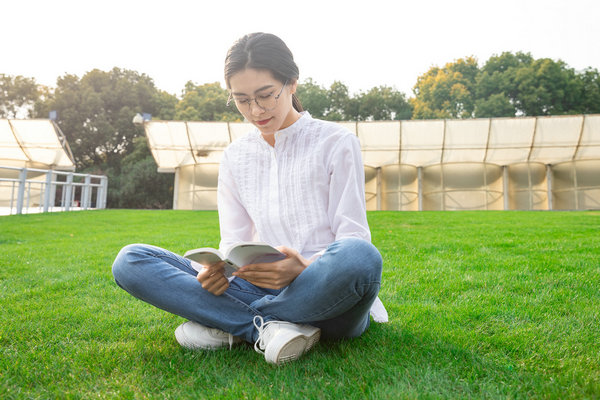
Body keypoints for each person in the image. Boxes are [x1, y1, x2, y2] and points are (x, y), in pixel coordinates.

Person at [112, 32, 387, 365]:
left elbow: (353, 236)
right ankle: (264, 328)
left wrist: (302, 268)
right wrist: (216, 271)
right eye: (242, 99)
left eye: (266, 95)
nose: (256, 110)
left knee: (360, 257)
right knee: (131, 261)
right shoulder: (234, 157)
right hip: (255, 285)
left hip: (325, 289)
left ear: (292, 83)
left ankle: (229, 323)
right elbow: (233, 243)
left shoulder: (336, 142)